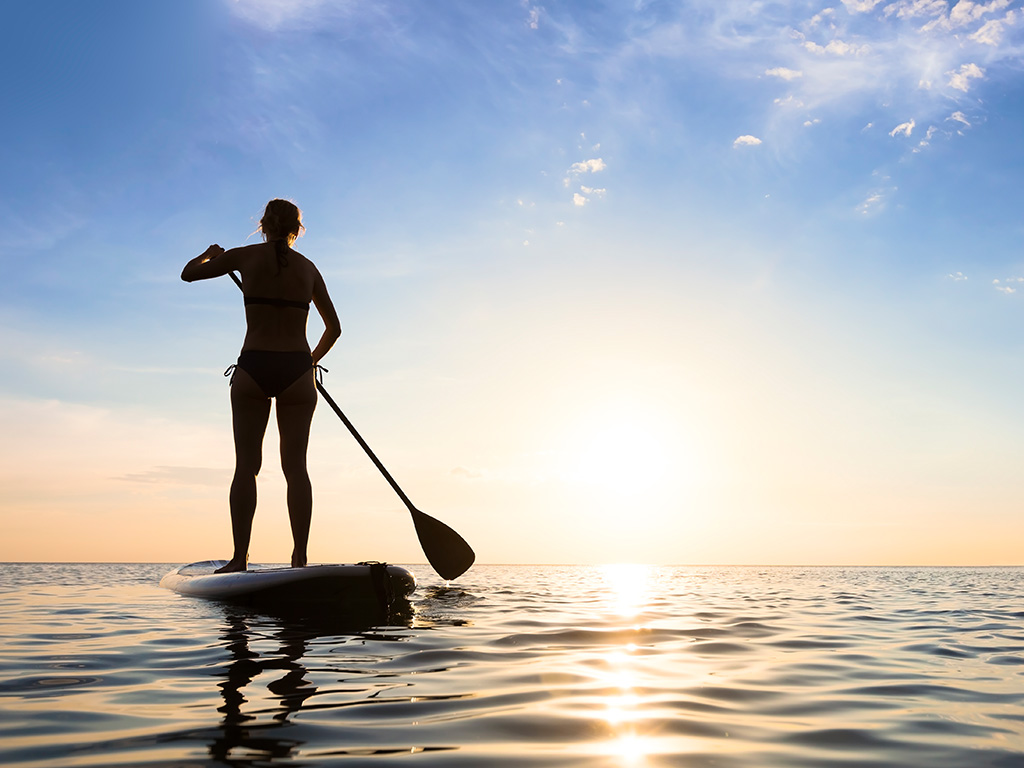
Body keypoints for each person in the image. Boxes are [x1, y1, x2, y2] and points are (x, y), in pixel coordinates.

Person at [181, 199, 342, 573]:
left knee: (246, 468)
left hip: (254, 367)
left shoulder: (244, 256)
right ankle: (300, 557)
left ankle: (240, 559)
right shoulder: (309, 269)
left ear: (263, 224)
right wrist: (309, 363)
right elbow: (334, 328)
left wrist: (209, 254)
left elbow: (189, 274)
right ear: (296, 229)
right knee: (296, 469)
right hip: (298, 371)